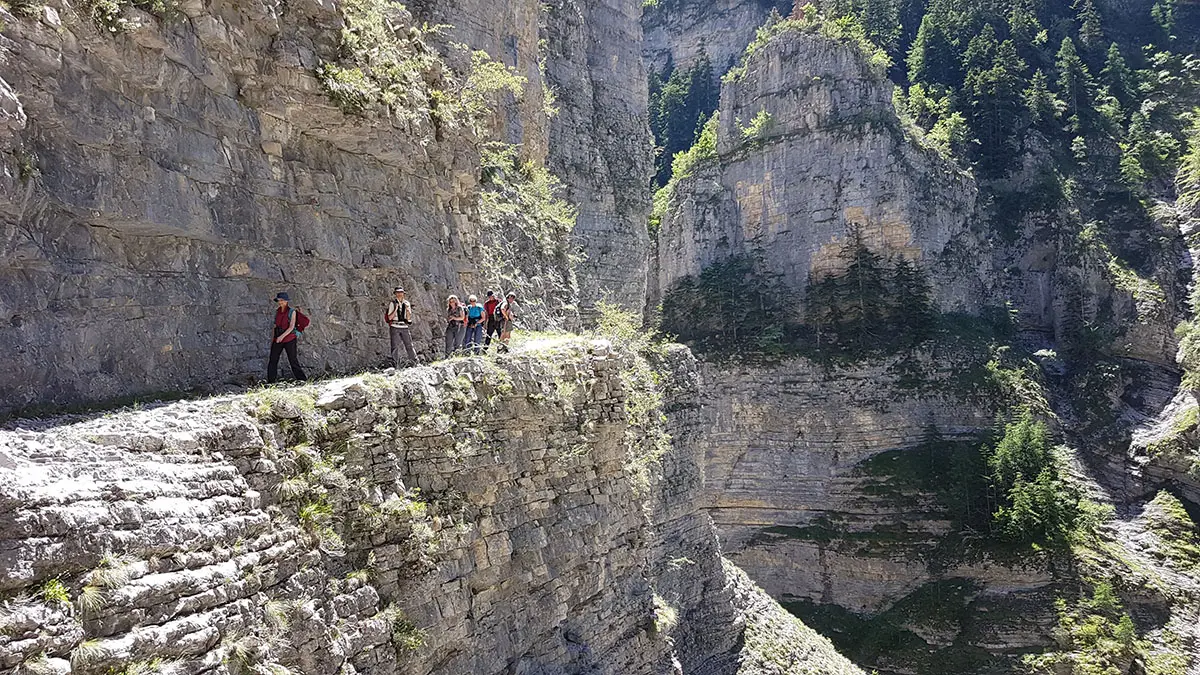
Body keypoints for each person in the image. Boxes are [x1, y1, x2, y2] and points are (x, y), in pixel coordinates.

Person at [268, 292, 307, 383]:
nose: (280, 302)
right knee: (273, 359)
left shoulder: (292, 312)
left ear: (286, 301)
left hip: (289, 338)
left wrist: (281, 337)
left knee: (293, 360)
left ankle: (303, 380)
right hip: (277, 338)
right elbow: (275, 326)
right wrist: (273, 339)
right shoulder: (277, 311)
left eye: (282, 300)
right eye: (279, 300)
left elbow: (291, 327)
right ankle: (271, 382)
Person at [386, 287, 417, 367]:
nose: (399, 294)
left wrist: (408, 311)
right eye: (398, 292)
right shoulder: (392, 303)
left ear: (403, 294)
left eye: (401, 292)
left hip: (404, 326)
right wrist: (396, 309)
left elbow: (409, 318)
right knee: (395, 346)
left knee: (409, 345)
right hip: (395, 325)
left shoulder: (407, 303)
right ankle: (395, 365)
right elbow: (390, 318)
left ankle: (414, 362)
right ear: (395, 294)